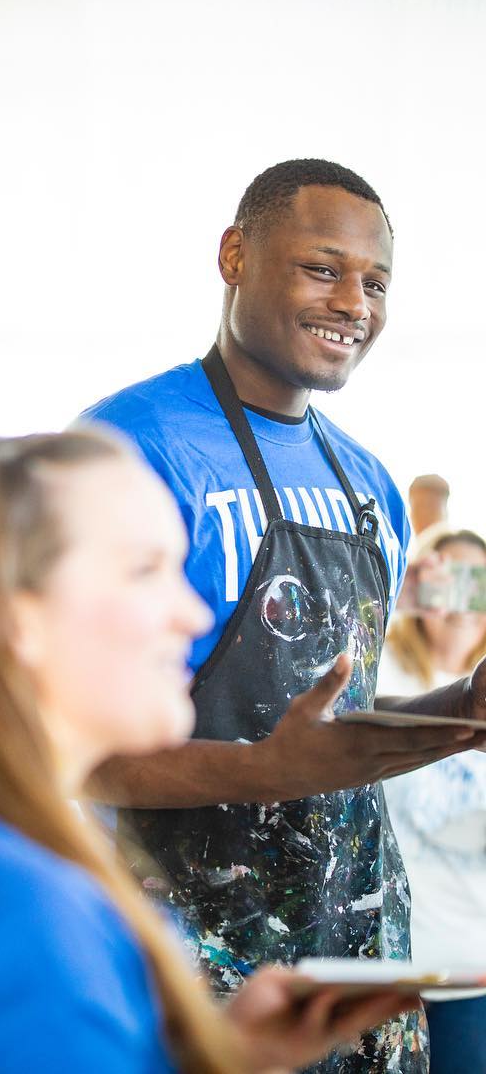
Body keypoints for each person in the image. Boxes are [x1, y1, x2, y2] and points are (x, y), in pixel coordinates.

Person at [0, 430, 416, 1074]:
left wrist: (227, 1056)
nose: (194, 615)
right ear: (15, 618)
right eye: (145, 571)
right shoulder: (13, 916)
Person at [81, 158, 486, 1072]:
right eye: (322, 267)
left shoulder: (371, 483)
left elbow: (342, 733)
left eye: (376, 281)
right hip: (198, 977)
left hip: (361, 955)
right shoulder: (125, 449)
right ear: (234, 255)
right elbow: (67, 750)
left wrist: (464, 710)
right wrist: (262, 770)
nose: (355, 302)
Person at [378, 528, 486, 1074]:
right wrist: (404, 587)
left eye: (479, 586)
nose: (464, 602)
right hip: (386, 965)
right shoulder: (382, 665)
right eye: (450, 583)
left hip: (474, 970)